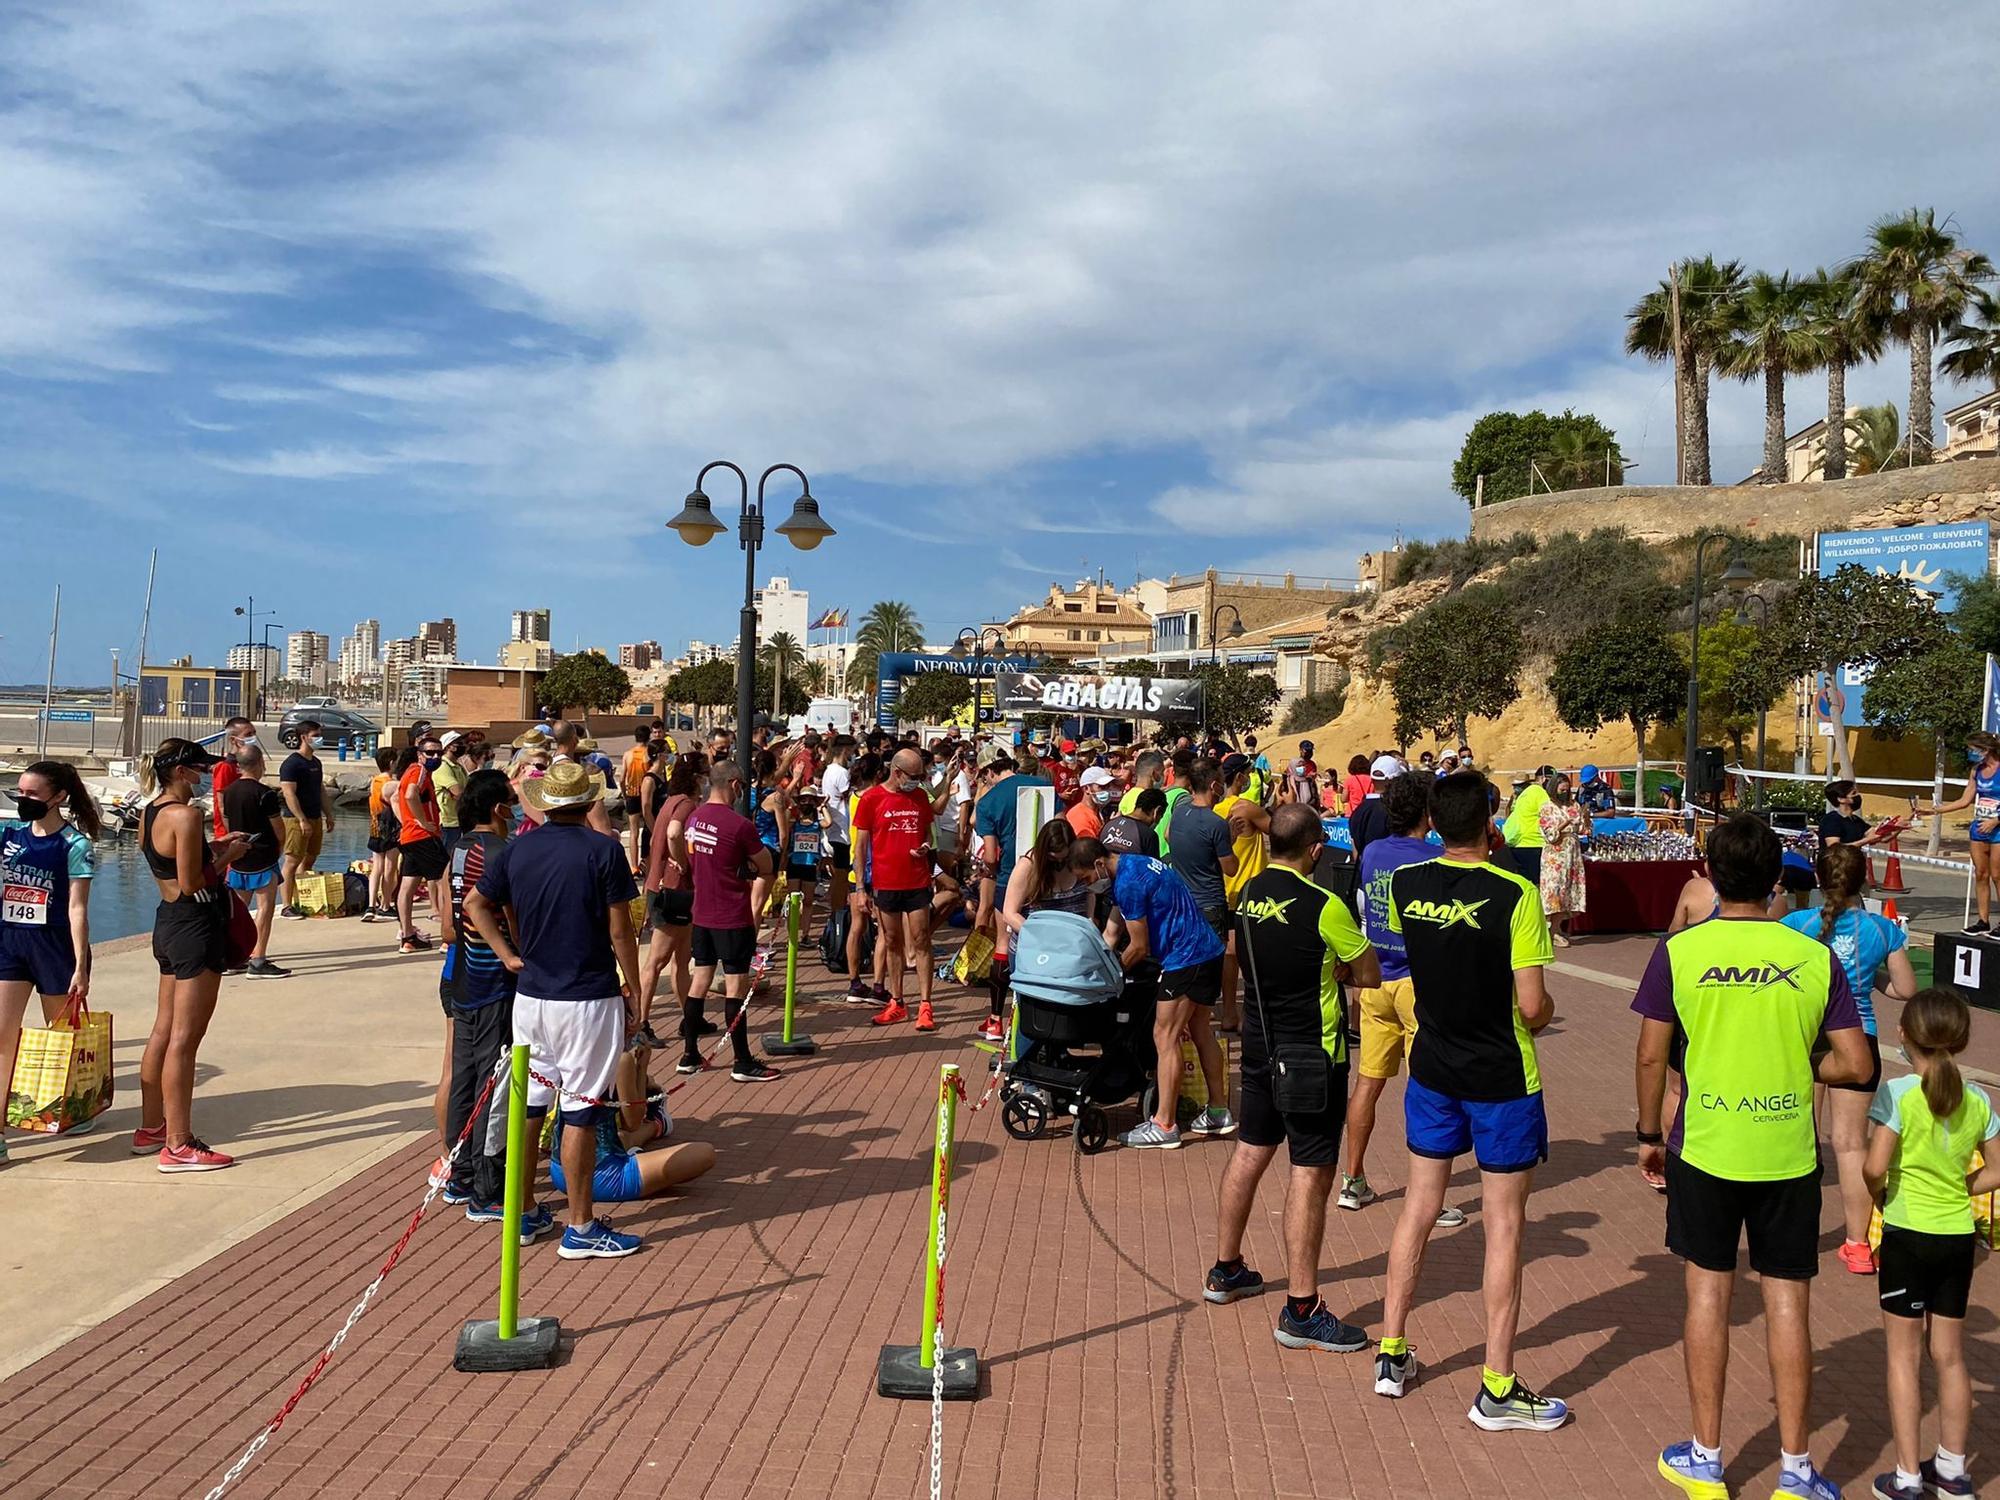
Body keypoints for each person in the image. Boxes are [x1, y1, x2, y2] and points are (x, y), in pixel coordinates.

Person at [1632, 813, 1874, 1500]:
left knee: (1707, 1294)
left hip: (1704, 1145)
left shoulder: (1679, 951)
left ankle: (1706, 1459)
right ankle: (1796, 1472)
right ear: (1776, 883)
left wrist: (1649, 1134)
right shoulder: (1814, 957)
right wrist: (1801, 1068)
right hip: (1787, 1152)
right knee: (1788, 1304)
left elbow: (1651, 1053)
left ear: (1706, 874)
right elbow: (1856, 1063)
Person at [1374, 772, 1567, 1432]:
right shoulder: (1515, 893)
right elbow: (1534, 1005)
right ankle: (1498, 1385)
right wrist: (1541, 1016)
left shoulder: (1406, 884)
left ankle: (1392, 1352)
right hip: (1499, 1074)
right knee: (1504, 1223)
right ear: (1490, 821)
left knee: (1418, 1206)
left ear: (1433, 821)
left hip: (1432, 1065)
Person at [1205, 803, 1378, 1350]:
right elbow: (1369, 974)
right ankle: (1301, 1307)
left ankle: (1225, 1268)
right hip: (1311, 1053)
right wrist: (1336, 966)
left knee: (1251, 1152)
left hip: (1259, 1044)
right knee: (1310, 1171)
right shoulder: (1325, 904)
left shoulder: (1250, 893)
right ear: (1315, 850)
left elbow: (1236, 950)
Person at [464, 759, 643, 1259]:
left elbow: (475, 903)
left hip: (532, 995)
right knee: (582, 1109)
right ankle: (581, 1227)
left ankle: (521, 1212)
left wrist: (508, 955)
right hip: (586, 995)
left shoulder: (518, 848)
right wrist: (634, 990)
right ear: (588, 802)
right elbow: (620, 930)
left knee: (531, 1104)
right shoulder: (604, 851)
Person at [1863, 987, 1998, 1500]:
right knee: (1950, 1355)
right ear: (1961, 1039)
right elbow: (1999, 1170)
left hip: (1907, 1233)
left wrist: (1879, 1192)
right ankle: (1954, 1471)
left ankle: (1906, 1476)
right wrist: (1962, 1187)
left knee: (1903, 1357)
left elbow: (1875, 1166)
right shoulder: (1979, 1098)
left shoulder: (1898, 1095)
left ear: (1904, 1036)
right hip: (1956, 1238)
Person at [1780, 843, 1918, 1275]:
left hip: (1804, 1035)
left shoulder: (1795, 924)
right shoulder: (1882, 929)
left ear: (1818, 880)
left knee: (1799, 1139)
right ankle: (1858, 1245)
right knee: (1851, 1144)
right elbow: (1906, 990)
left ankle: (1792, 1236)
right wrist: (1869, 976)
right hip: (1859, 1036)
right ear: (1865, 880)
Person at [1340, 771, 1461, 1228]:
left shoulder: (1372, 852)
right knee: (1426, 1089)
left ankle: (1352, 1180)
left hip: (1375, 979)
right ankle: (1426, 1196)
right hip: (1416, 982)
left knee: (1368, 1081)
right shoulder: (1434, 858)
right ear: (1429, 813)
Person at [1067, 836, 1231, 1149]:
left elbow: (1138, 948)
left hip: (1185, 958)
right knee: (1200, 1030)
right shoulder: (1134, 863)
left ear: (1100, 864)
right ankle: (1219, 1110)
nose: (1088, 886)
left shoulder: (1128, 884)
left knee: (1164, 1037)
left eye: (1086, 878)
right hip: (1207, 951)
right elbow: (1114, 933)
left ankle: (1164, 1124)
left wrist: (1111, 977)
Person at [137, 740, 252, 1172]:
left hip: (167, 922)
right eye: (200, 770)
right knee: (186, 1040)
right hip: (194, 924)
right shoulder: (186, 814)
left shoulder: (151, 811)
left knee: (163, 1030)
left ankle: (151, 1127)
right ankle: (179, 1144)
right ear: (183, 772)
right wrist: (229, 858)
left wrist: (216, 846)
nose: (205, 776)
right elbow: (191, 882)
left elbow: (169, 867)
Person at [0, 762, 100, 1165]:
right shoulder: (9, 836)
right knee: (3, 1038)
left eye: (32, 795)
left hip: (55, 946)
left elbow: (78, 908)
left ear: (58, 797)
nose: (23, 800)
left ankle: (75, 1107)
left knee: (60, 1038)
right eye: (20, 794)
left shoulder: (75, 845)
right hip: (9, 942)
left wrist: (80, 965)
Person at [441, 770, 519, 1214]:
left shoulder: (460, 846)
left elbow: (450, 925)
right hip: (494, 979)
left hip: (463, 977)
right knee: (495, 1079)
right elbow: (513, 918)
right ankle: (487, 1188)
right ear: (498, 808)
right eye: (510, 798)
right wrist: (517, 954)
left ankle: (460, 1172)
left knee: (465, 1077)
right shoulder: (500, 852)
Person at [683, 761, 780, 1082]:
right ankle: (742, 1060)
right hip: (731, 915)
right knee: (735, 987)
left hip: (702, 913)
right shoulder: (739, 825)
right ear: (736, 785)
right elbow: (766, 863)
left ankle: (689, 1053)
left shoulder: (694, 817)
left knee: (700, 981)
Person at [855, 748, 941, 1030]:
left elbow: (928, 831)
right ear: (897, 772)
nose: (919, 781)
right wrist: (860, 888)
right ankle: (897, 1001)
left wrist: (926, 846)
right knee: (892, 941)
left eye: (922, 775)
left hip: (916, 880)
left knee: (921, 939)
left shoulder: (919, 797)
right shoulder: (872, 799)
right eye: (915, 776)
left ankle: (926, 1005)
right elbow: (861, 847)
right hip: (885, 882)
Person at [973, 749, 1052, 1041]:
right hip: (1047, 876)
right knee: (1044, 942)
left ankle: (996, 1018)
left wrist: (985, 867)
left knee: (1004, 943)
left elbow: (991, 855)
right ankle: (1038, 1014)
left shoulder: (989, 801)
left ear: (988, 772)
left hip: (1009, 878)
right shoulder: (1044, 785)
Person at [634, 752, 707, 1052]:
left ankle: (689, 1016)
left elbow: (656, 838)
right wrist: (683, 862)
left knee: (681, 958)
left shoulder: (670, 800)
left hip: (661, 886)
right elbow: (675, 833)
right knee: (658, 961)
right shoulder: (687, 804)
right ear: (697, 777)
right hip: (674, 890)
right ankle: (641, 1021)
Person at [1165, 760, 1238, 1002]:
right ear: (1214, 785)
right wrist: (1231, 838)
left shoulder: (1179, 814)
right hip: (1210, 906)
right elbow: (1231, 868)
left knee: (1187, 966)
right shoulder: (1215, 823)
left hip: (1183, 904)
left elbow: (1167, 835)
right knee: (1207, 975)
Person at [219, 745, 290, 979]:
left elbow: (228, 826)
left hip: (238, 857)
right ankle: (258, 959)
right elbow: (279, 829)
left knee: (237, 911)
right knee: (264, 909)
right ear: (260, 762)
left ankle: (233, 956)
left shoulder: (228, 792)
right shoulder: (265, 793)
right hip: (263, 857)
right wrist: (278, 849)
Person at [1916, 733, 2000, 931]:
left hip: (1997, 828)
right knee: (1981, 874)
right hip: (1980, 827)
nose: (1970, 753)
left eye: (1973, 749)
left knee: (1997, 875)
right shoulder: (1976, 771)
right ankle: (1983, 921)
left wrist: (1996, 820)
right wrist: (1934, 810)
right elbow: (1964, 801)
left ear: (1985, 750)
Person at [1214, 753, 1273, 1033]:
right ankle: (1253, 1013)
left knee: (1229, 956)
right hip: (1250, 890)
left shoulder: (1211, 810)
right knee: (1253, 957)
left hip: (1223, 890)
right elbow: (1281, 830)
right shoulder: (1245, 808)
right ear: (1240, 777)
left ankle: (1228, 1012)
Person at [395, 735, 450, 956]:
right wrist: (422, 821)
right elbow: (409, 796)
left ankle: (407, 937)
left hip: (409, 837)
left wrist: (409, 821)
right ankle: (449, 938)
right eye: (430, 753)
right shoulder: (419, 772)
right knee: (446, 881)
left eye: (439, 753)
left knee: (408, 885)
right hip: (422, 836)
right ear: (420, 755)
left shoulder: (410, 773)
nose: (435, 757)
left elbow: (396, 798)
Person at [277, 719, 333, 919]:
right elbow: (289, 793)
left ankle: (301, 898)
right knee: (292, 860)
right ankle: (285, 905)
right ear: (303, 737)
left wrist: (329, 814)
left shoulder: (315, 763)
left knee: (309, 859)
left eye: (319, 735)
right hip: (295, 819)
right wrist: (301, 819)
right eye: (315, 735)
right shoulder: (292, 763)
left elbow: (320, 790)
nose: (319, 739)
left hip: (315, 816)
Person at [1535, 772, 1589, 947]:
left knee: (1567, 892)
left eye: (1567, 789)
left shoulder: (1574, 805)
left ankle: (1556, 929)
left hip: (1572, 854)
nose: (1564, 792)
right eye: (1562, 789)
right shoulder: (1547, 807)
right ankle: (1547, 929)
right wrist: (1565, 823)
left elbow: (1582, 829)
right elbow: (1549, 835)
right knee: (1553, 892)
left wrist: (1586, 820)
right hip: (1555, 855)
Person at [362, 745, 401, 922]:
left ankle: (371, 905)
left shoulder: (374, 781)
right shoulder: (391, 784)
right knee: (390, 867)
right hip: (391, 829)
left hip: (375, 827)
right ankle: (385, 904)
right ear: (392, 762)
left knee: (376, 867)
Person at [1500, 764, 1551, 895]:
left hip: (1532, 843)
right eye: (1515, 785)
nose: (1516, 788)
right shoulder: (1517, 797)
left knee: (1534, 885)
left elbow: (1547, 811)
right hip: (1518, 843)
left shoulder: (1536, 792)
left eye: (1519, 785)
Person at [208, 716, 257, 837]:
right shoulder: (225, 767)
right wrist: (231, 832)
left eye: (254, 733)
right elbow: (221, 803)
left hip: (246, 827)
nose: (253, 737)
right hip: (229, 832)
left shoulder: (247, 764)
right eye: (248, 734)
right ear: (233, 740)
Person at [1347, 754, 1401, 863]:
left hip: (1365, 873)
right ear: (1393, 780)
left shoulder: (1358, 811)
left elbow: (1356, 850)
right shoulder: (1394, 811)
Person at [432, 731, 471, 860]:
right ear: (449, 746)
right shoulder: (443, 766)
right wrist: (461, 794)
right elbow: (458, 792)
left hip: (457, 819)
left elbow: (465, 790)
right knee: (444, 858)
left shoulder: (458, 766)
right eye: (458, 743)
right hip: (446, 821)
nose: (463, 746)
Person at [1100, 786, 1166, 859]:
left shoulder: (1109, 824)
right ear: (1156, 811)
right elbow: (1151, 868)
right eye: (1161, 816)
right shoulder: (1148, 836)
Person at [621, 727, 654, 870]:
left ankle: (634, 867)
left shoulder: (628, 754)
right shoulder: (649, 754)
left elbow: (622, 778)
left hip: (632, 794)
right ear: (649, 737)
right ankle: (647, 861)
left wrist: (624, 793)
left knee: (633, 832)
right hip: (647, 794)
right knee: (649, 828)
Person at [1065, 765, 1114, 839]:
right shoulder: (1079, 816)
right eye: (1102, 787)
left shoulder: (1098, 812)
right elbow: (1088, 848)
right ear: (1086, 789)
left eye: (1108, 786)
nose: (1107, 790)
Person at [1341, 754, 1372, 819]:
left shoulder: (1350, 780)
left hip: (1352, 813)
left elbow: (1344, 799)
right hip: (1368, 812)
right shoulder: (1371, 780)